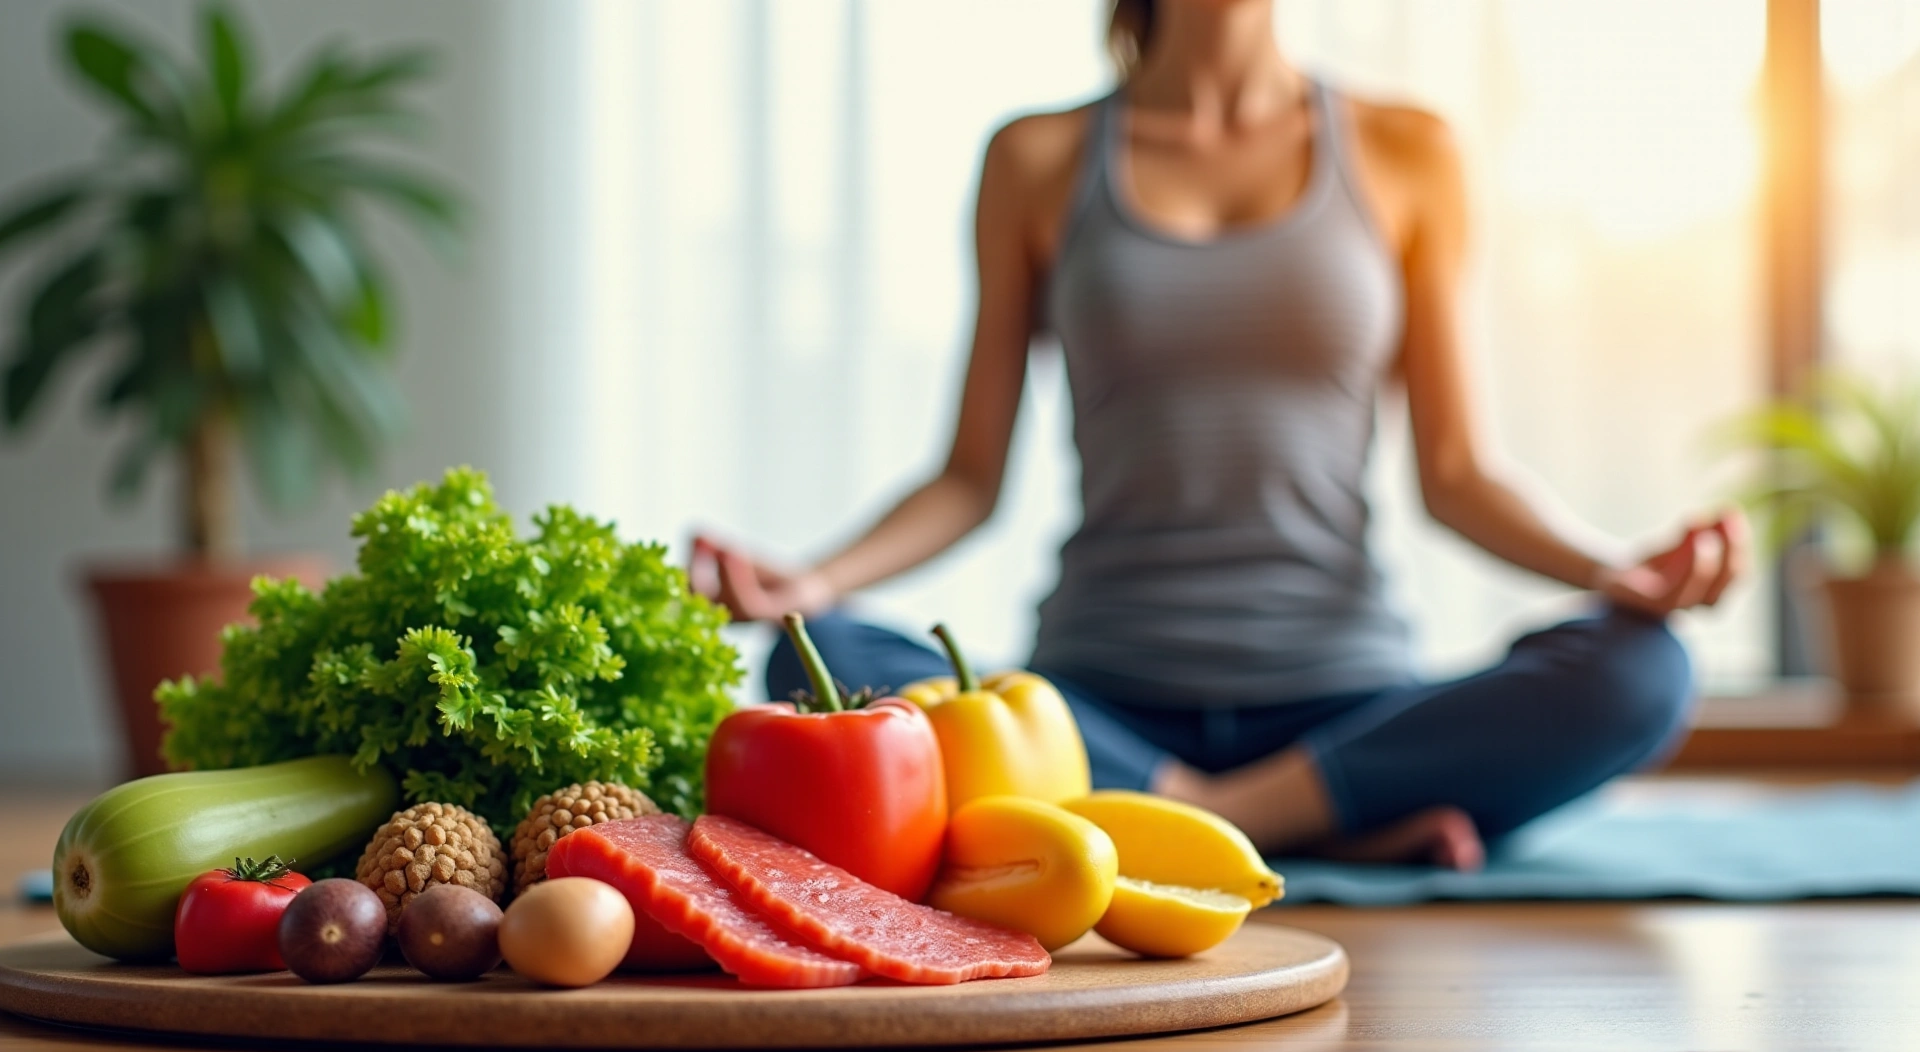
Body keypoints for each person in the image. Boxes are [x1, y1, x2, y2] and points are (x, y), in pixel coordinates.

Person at [689, 0, 1746, 870]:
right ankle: (1305, 829)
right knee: (819, 658)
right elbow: (968, 477)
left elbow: (1459, 473)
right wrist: (812, 582)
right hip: (1094, 712)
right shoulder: (1038, 157)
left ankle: (1202, 821)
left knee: (1643, 670)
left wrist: (1614, 568)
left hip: (1343, 709)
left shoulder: (1406, 149)